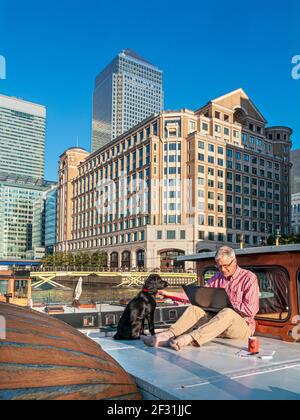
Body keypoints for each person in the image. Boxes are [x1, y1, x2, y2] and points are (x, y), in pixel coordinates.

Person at [141, 246, 259, 351]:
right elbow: (199, 298)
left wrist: (228, 303)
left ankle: (189, 338)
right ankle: (166, 336)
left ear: (235, 261)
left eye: (226, 266)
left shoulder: (249, 278)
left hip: (242, 328)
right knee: (195, 309)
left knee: (227, 312)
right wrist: (168, 294)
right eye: (219, 266)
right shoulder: (217, 277)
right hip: (217, 326)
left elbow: (251, 310)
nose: (223, 270)